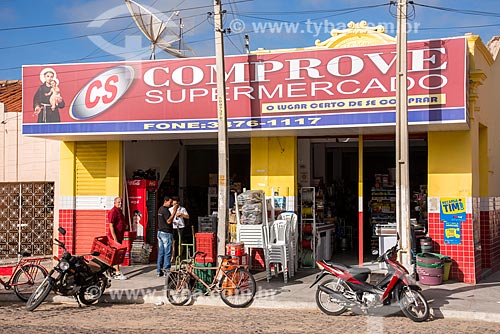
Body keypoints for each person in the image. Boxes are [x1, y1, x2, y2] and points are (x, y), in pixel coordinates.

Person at [107, 196, 128, 280]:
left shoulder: (119, 211)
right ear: (114, 203)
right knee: (116, 255)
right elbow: (111, 225)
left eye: (121, 202)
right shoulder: (113, 211)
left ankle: (110, 271)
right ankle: (117, 272)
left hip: (119, 236)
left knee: (113, 255)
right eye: (118, 202)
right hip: (114, 237)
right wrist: (115, 238)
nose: (120, 204)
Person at [157, 196, 178, 277]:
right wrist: (174, 212)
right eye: (170, 202)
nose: (171, 204)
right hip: (166, 233)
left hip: (160, 233)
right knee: (167, 252)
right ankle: (166, 270)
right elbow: (169, 221)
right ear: (165, 201)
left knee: (161, 252)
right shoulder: (165, 210)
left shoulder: (160, 209)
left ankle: (159, 270)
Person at [170, 196, 189, 262]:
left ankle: (180, 255)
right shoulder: (170, 209)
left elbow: (187, 216)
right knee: (173, 242)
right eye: (173, 201)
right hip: (173, 227)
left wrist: (181, 214)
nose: (173, 203)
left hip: (181, 227)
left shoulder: (182, 209)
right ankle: (173, 256)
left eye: (175, 201)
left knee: (180, 242)